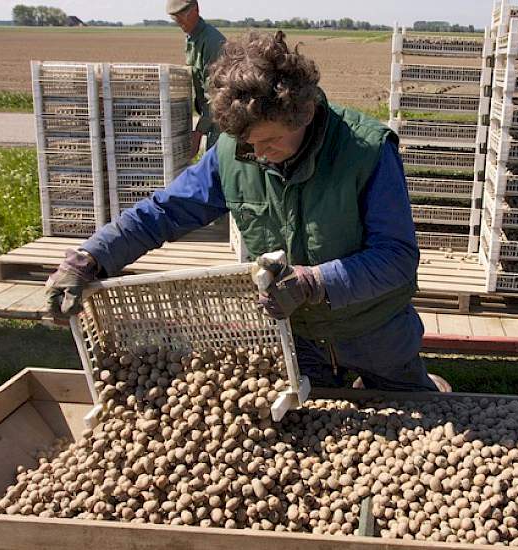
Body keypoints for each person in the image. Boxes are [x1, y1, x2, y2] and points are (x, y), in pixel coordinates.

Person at [45, 31, 447, 393]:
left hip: (375, 330)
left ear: (303, 114)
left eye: (269, 142)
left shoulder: (367, 152)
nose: (258, 157)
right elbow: (162, 212)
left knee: (413, 412)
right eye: (247, 145)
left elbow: (397, 258)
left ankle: (427, 384)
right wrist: (91, 257)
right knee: (315, 429)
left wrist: (314, 282)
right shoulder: (234, 154)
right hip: (298, 337)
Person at [166, 0, 226, 155]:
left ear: (196, 10)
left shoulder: (212, 42)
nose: (178, 21)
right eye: (175, 17)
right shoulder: (191, 38)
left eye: (181, 15)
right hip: (211, 117)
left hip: (223, 118)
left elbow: (217, 95)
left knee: (216, 167)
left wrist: (199, 132)